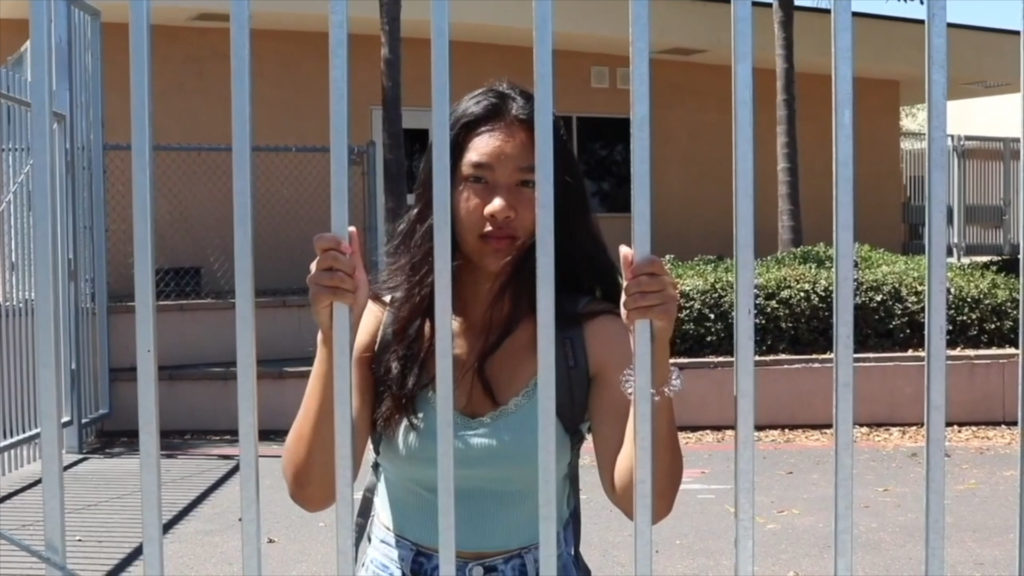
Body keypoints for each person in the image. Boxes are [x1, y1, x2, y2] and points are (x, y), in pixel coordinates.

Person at [281, 80, 684, 576]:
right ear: (444, 190)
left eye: (528, 183)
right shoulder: (389, 323)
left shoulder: (587, 336)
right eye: (478, 179)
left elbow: (646, 503)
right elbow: (312, 491)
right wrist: (333, 336)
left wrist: (654, 350)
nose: (501, 206)